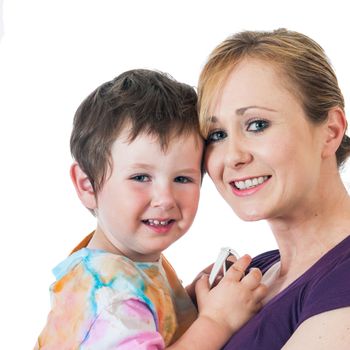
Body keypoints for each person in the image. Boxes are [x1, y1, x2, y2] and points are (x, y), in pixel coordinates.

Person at [34, 69, 267, 349]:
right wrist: (217, 321)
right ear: (88, 186)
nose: (165, 198)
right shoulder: (112, 298)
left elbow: (155, 319)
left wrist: (192, 297)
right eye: (141, 177)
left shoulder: (132, 263)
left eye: (182, 178)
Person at [197, 28, 350, 349]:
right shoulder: (251, 276)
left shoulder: (342, 278)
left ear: (331, 131)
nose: (233, 157)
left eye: (257, 125)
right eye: (217, 134)